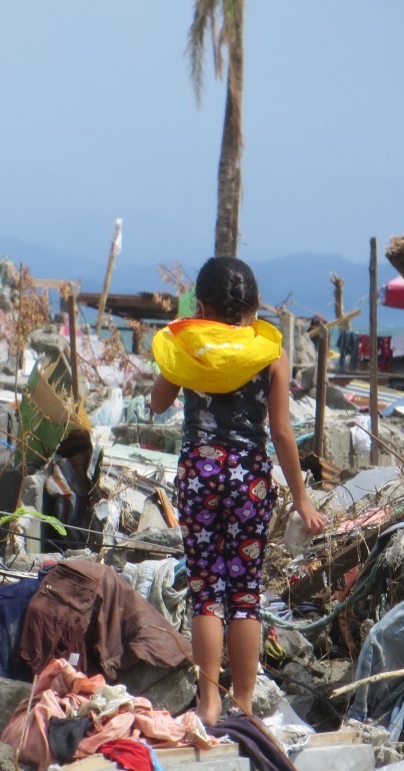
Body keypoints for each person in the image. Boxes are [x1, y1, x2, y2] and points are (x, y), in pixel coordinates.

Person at [148, 256, 325, 726]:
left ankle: (207, 705)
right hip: (249, 480)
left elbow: (157, 402)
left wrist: (181, 350)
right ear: (255, 307)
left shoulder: (189, 349)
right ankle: (243, 706)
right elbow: (284, 434)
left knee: (206, 591)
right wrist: (303, 500)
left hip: (199, 475)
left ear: (201, 306)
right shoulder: (270, 356)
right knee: (245, 594)